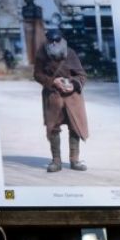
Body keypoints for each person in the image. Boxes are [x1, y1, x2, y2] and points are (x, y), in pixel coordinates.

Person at [31, 26, 91, 173]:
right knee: (53, 128)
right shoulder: (41, 54)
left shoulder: (70, 53)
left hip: (72, 97)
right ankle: (56, 161)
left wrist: (73, 84)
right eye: (51, 40)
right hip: (53, 96)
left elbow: (82, 75)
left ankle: (74, 160)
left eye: (57, 40)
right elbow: (37, 75)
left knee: (75, 127)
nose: (54, 43)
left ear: (62, 40)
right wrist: (53, 82)